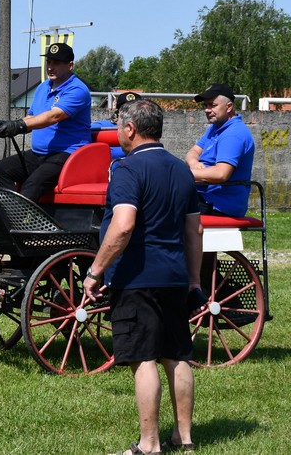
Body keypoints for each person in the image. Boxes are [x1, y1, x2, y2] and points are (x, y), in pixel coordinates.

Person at [83, 98, 203, 455]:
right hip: (174, 276)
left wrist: (95, 271)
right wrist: (194, 279)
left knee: (144, 358)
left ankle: (149, 445)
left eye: (119, 125)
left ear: (131, 129)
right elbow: (193, 231)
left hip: (137, 277)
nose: (118, 131)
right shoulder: (183, 170)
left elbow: (123, 227)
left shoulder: (127, 170)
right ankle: (184, 437)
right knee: (177, 355)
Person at [0, 42, 92, 202]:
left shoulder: (77, 90)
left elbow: (54, 116)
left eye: (57, 63)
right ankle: (5, 216)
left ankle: (17, 222)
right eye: (49, 62)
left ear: (70, 65)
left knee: (32, 184)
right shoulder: (42, 88)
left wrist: (20, 125)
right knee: (0, 170)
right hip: (39, 154)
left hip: (66, 155)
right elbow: (31, 117)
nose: (50, 67)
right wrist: (10, 125)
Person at [185, 83, 255, 217]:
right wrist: (194, 163)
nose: (207, 110)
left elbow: (221, 174)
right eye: (206, 105)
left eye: (212, 105)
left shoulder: (233, 134)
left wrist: (183, 174)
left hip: (220, 204)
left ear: (229, 107)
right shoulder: (215, 128)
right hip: (205, 197)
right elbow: (193, 152)